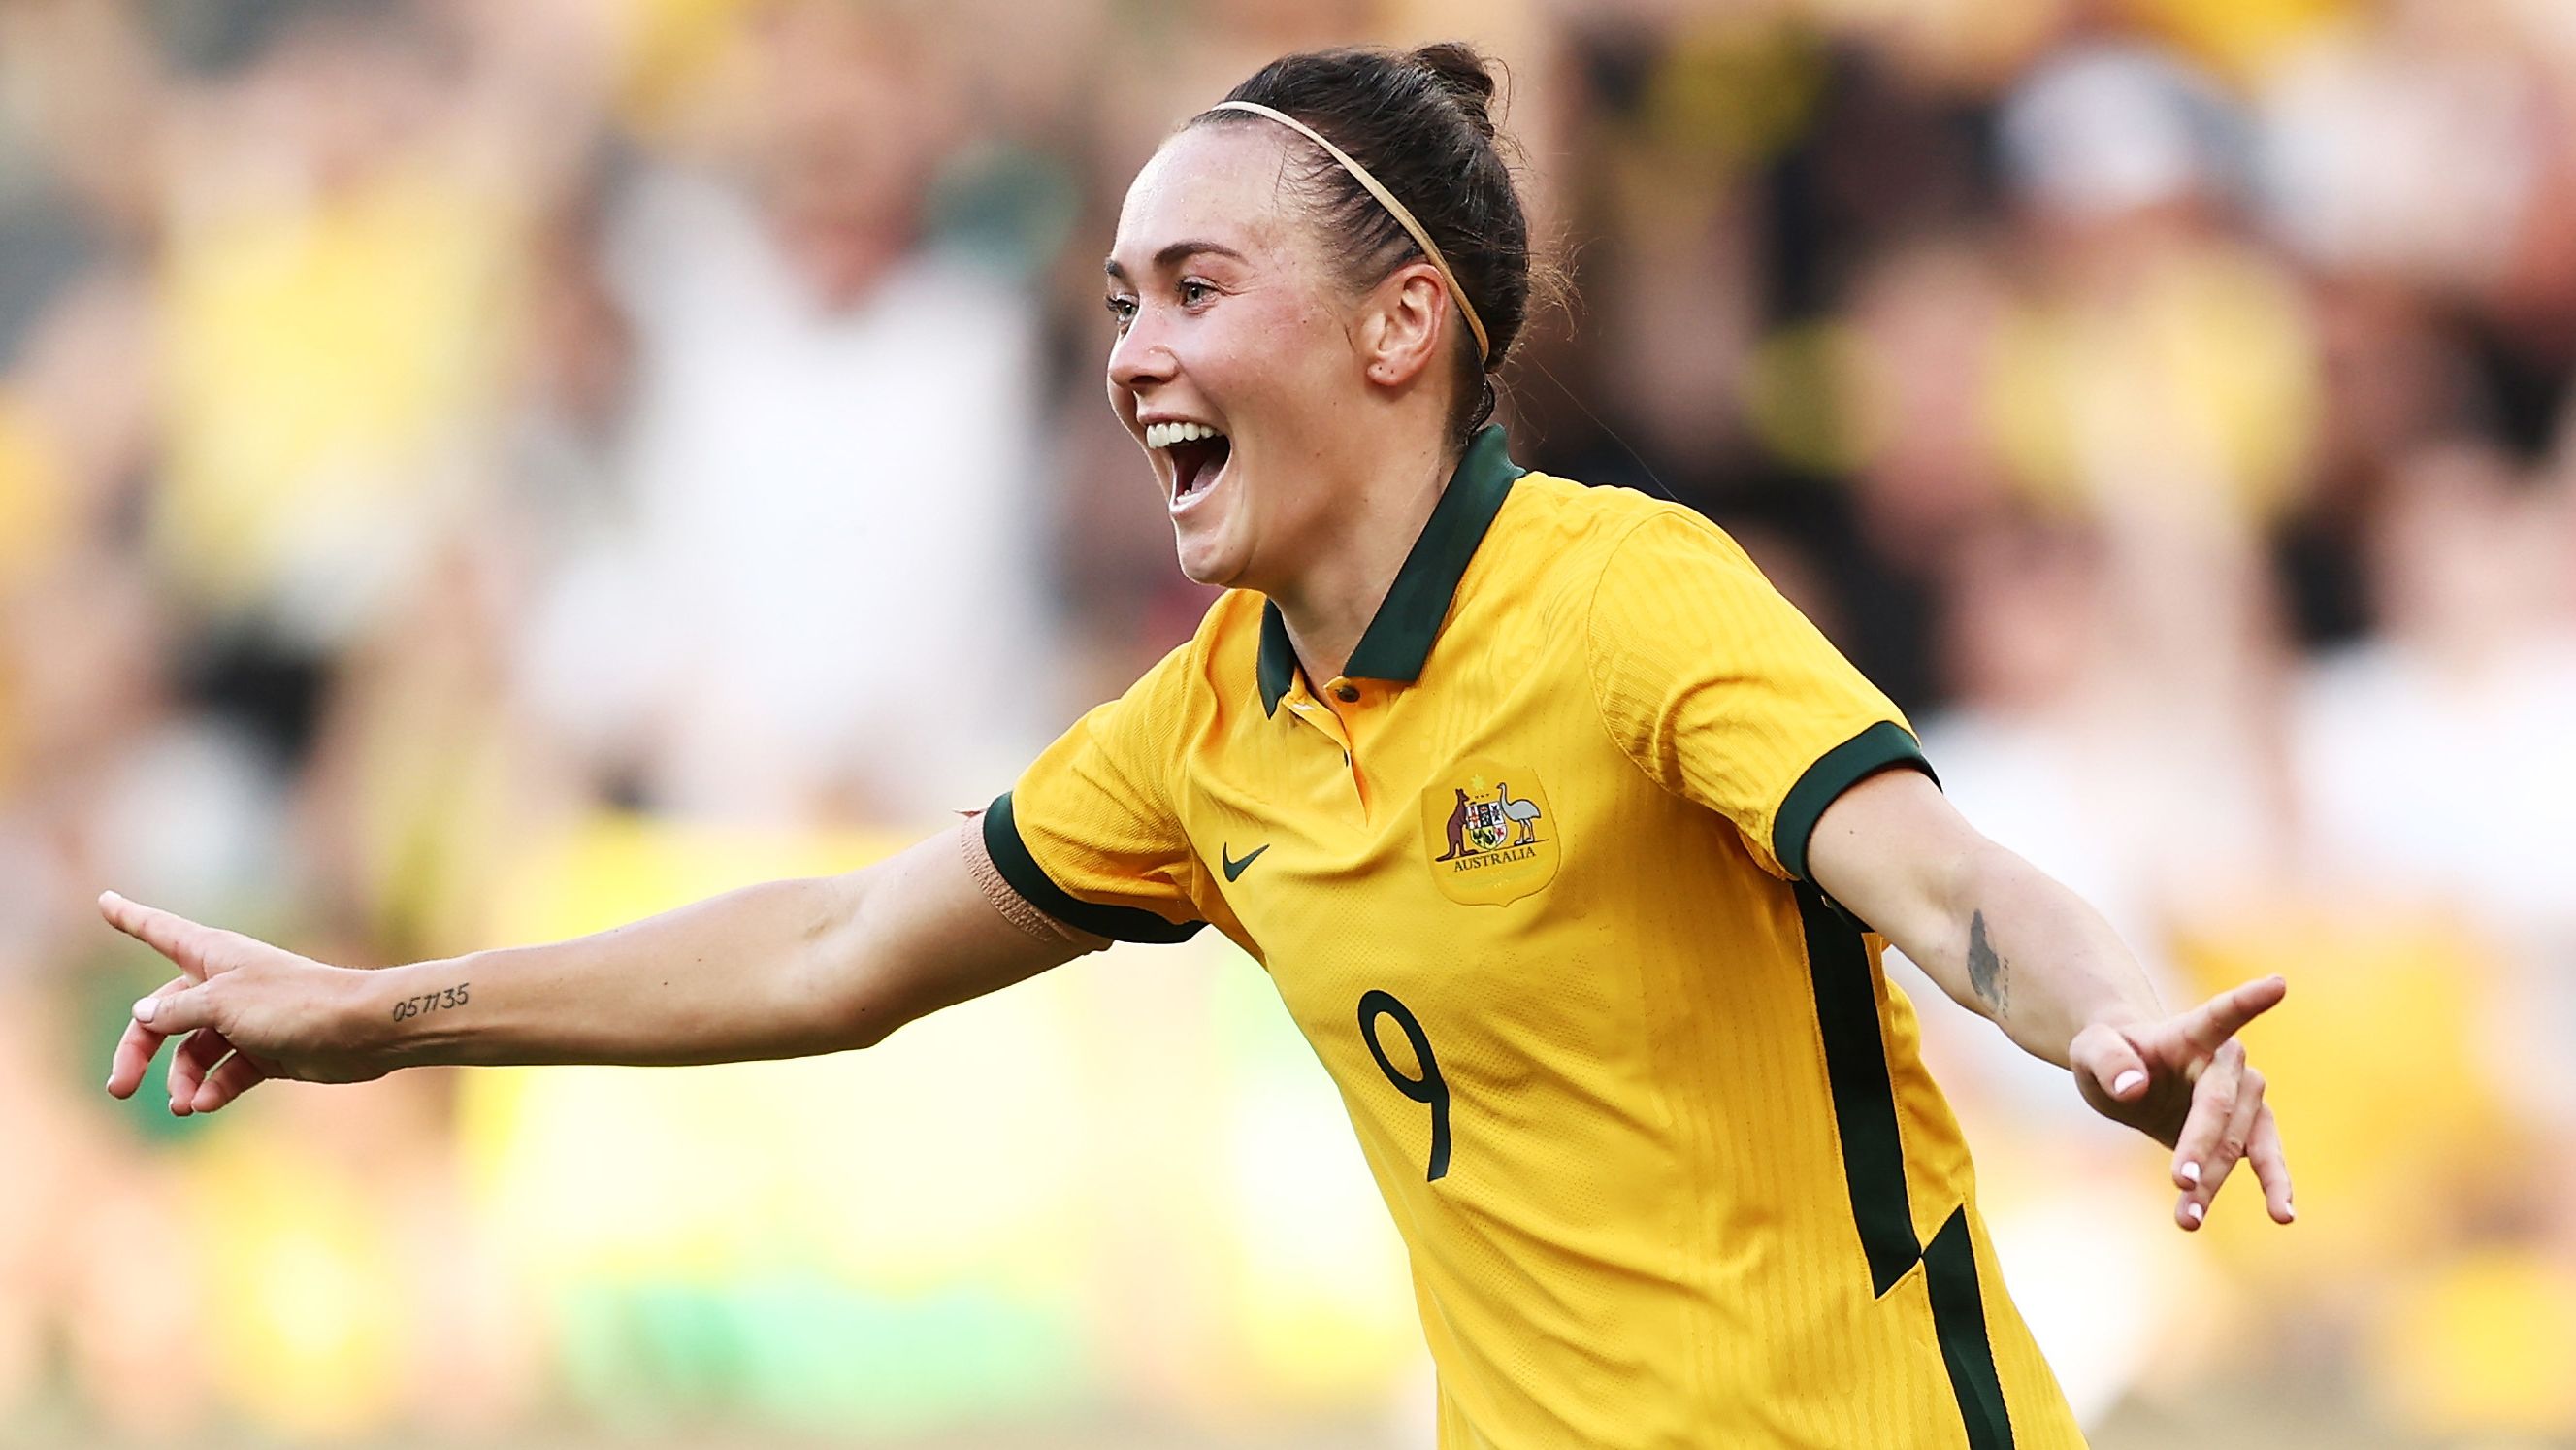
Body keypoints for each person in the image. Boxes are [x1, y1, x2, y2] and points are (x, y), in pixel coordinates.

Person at [98, 44, 2293, 1450]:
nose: (1132, 350)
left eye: (1194, 289)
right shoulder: (1202, 739)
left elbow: (1940, 877)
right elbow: (829, 949)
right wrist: (374, 1016)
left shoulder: (1628, 598)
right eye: (1120, 299)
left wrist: (2109, 1026)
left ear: (1397, 324)